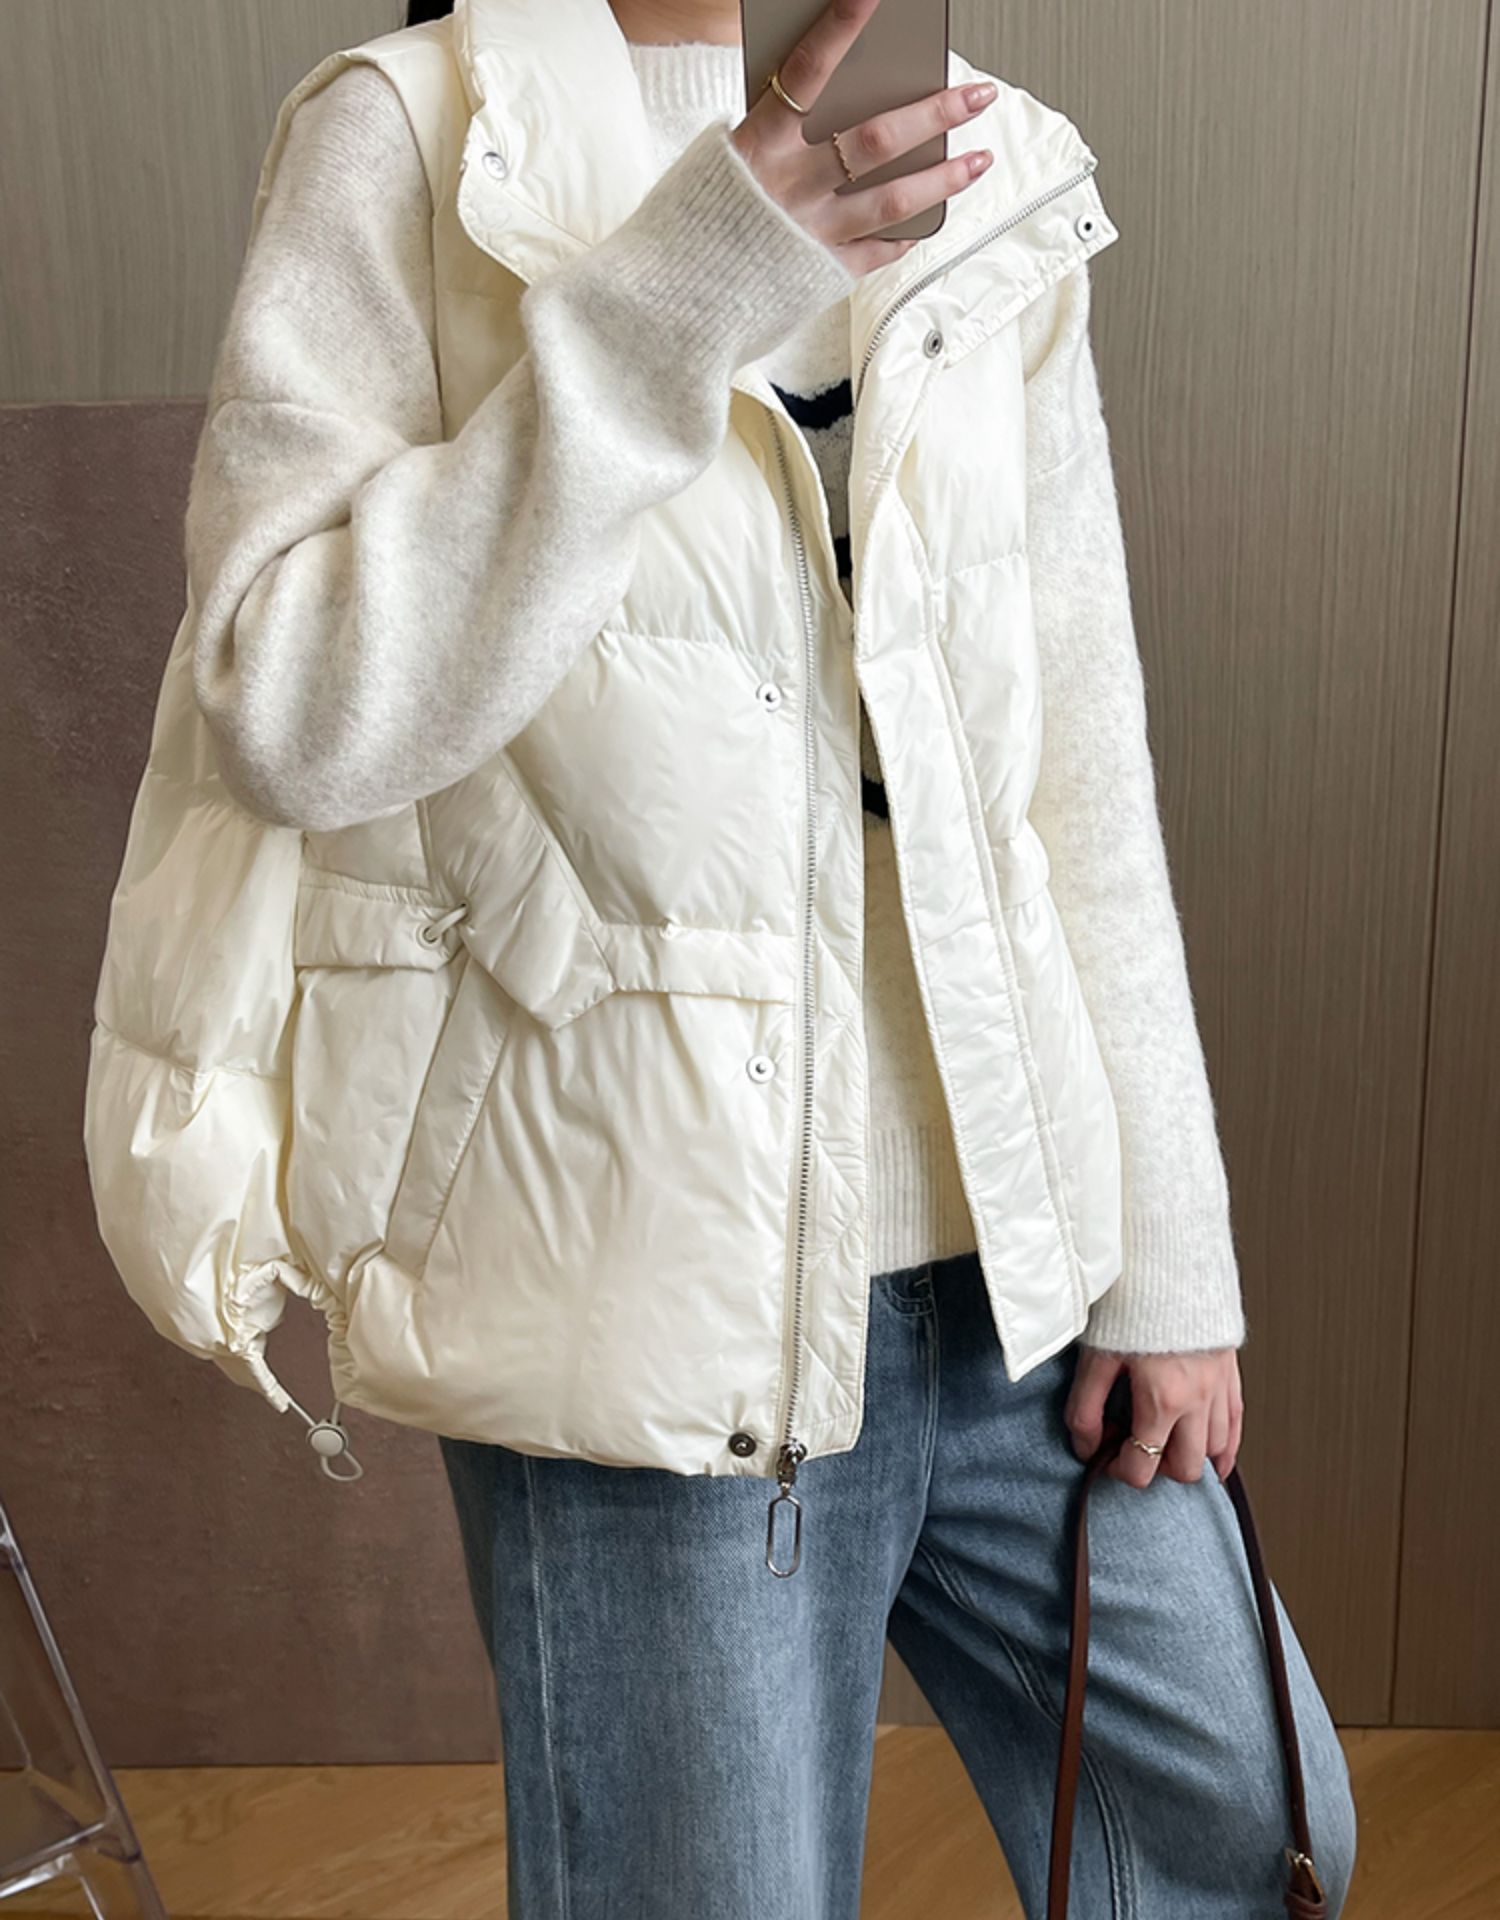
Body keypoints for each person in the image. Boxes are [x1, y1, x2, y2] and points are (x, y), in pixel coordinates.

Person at [83, 0, 1359, 1911]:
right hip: (649, 1295)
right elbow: (288, 709)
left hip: (1018, 1278)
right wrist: (681, 291)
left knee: (1251, 1831)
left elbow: (1076, 770)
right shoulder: (418, 132)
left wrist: (1168, 1262)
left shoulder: (990, 150)